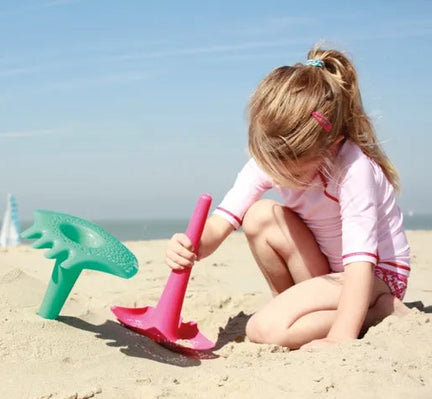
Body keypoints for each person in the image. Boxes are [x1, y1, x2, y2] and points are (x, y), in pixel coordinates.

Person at [166, 45, 411, 351]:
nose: (275, 174)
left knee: (262, 329)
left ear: (329, 146)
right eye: (270, 164)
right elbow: (223, 221)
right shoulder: (274, 156)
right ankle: (294, 312)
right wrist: (192, 246)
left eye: (288, 170)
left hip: (374, 278)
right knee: (258, 216)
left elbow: (360, 263)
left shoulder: (352, 169)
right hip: (330, 271)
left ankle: (377, 311)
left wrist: (341, 336)